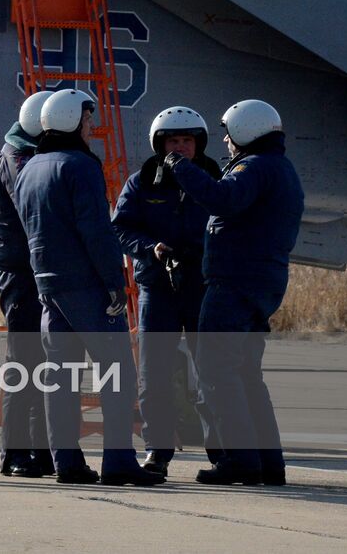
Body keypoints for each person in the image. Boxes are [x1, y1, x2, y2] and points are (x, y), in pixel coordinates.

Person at [14, 88, 163, 486]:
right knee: (118, 375)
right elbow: (96, 231)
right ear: (70, 121)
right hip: (86, 286)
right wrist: (115, 282)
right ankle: (118, 462)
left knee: (60, 380)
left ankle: (67, 462)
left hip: (47, 286)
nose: (91, 125)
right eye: (86, 118)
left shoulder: (30, 167)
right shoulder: (80, 166)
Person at [164, 99, 303, 486]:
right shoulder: (279, 168)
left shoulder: (254, 167)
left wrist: (180, 166)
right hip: (258, 285)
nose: (224, 140)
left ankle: (240, 461)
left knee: (216, 372)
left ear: (244, 131)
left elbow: (222, 198)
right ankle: (268, 464)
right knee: (246, 375)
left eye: (228, 132)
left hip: (234, 286)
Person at [112, 106, 223, 477]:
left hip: (202, 288)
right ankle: (157, 452)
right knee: (154, 375)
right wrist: (152, 248)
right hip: (157, 288)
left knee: (210, 371)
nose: (180, 147)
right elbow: (121, 228)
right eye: (173, 140)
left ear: (198, 144)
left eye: (187, 140)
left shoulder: (214, 180)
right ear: (160, 144)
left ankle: (220, 451)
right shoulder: (142, 182)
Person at [0, 90, 55, 478]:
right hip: (21, 274)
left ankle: (40, 451)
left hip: (34, 270)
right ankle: (14, 452)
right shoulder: (16, 158)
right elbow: (37, 205)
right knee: (24, 364)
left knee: (43, 367)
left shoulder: (25, 155)